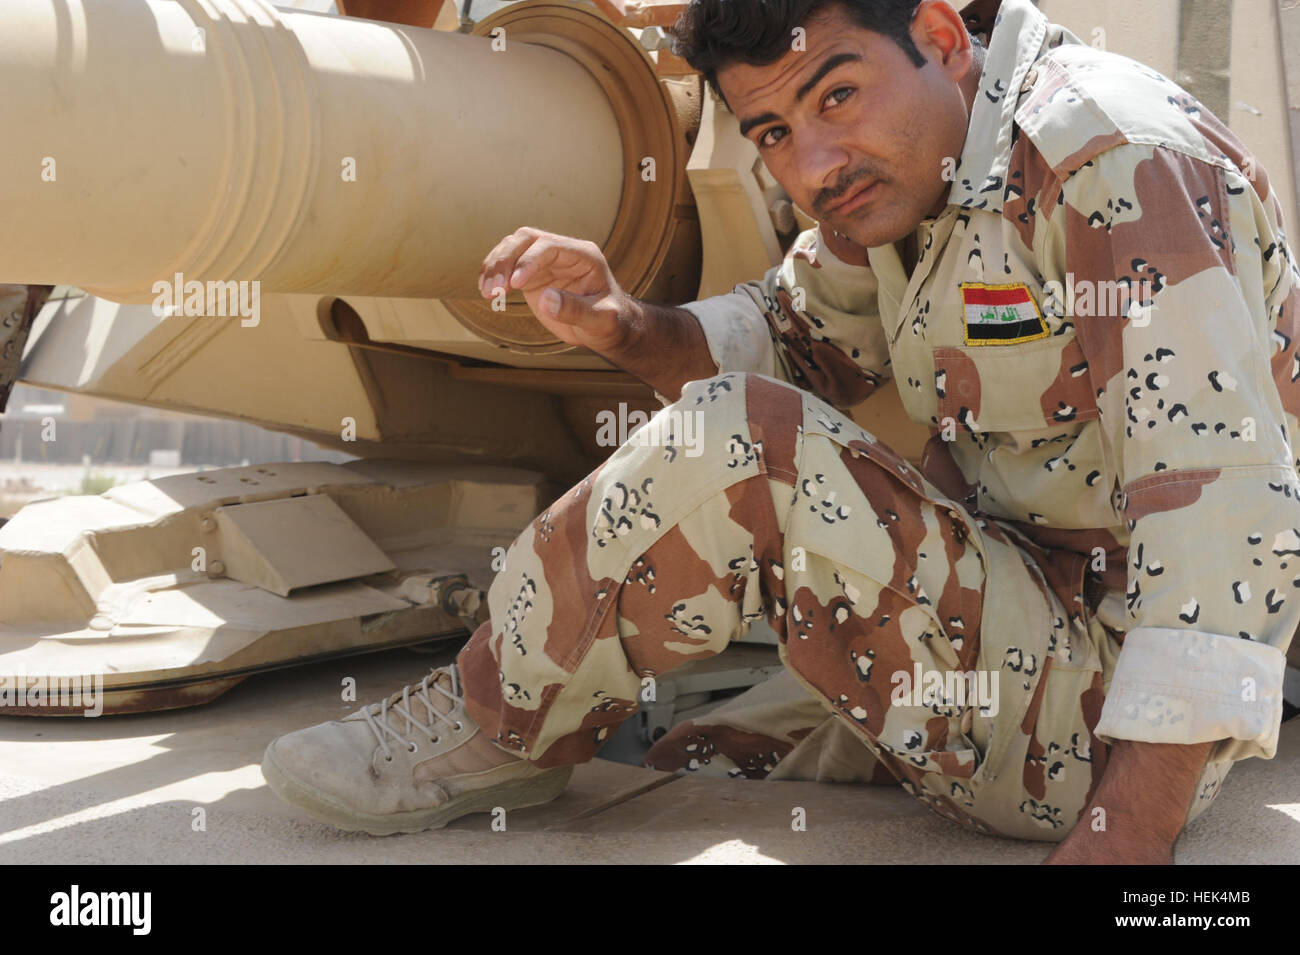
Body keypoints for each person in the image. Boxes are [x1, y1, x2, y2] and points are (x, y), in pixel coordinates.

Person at [261, 0, 1300, 863]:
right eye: (772, 135)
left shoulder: (1106, 156)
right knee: (698, 755)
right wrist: (619, 320)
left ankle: (493, 721)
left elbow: (1230, 514)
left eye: (836, 96)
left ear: (939, 37)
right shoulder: (905, 170)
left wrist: (1123, 839)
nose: (813, 165)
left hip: (1118, 717)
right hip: (1026, 625)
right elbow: (792, 337)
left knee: (741, 442)